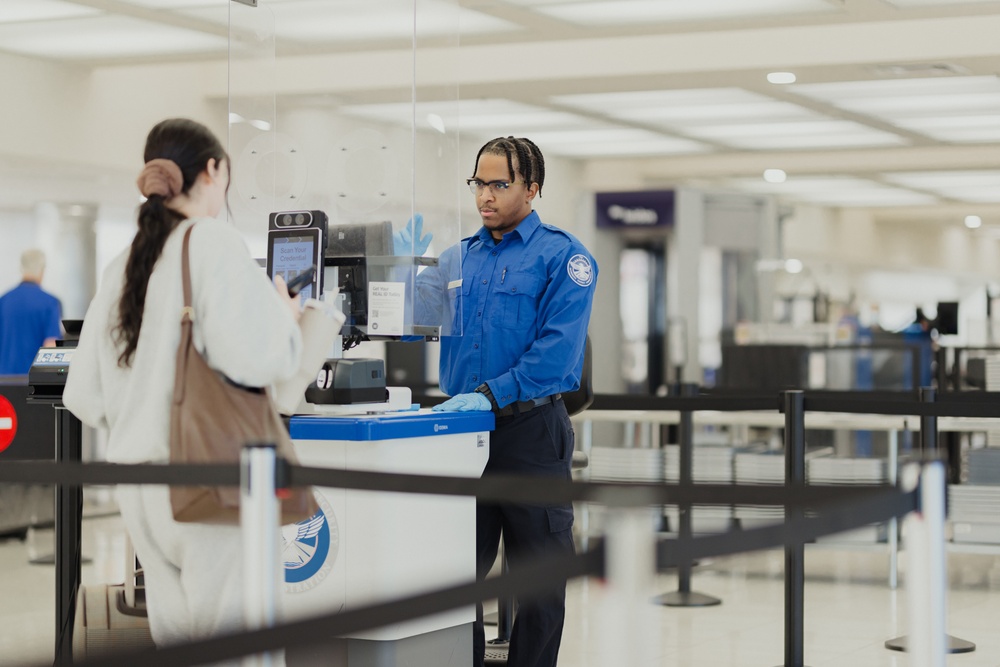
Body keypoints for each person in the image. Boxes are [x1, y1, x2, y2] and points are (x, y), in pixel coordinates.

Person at [63, 118, 303, 659]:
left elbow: (84, 395)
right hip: (208, 483)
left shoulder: (121, 264)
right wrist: (284, 319)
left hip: (142, 493)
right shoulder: (211, 242)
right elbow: (257, 360)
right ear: (213, 171)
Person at [415, 136, 598, 667]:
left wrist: (489, 394)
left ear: (532, 188)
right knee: (458, 574)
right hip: (462, 436)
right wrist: (394, 274)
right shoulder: (455, 259)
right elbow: (411, 321)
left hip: (530, 433)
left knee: (538, 577)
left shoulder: (566, 257)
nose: (485, 196)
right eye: (479, 183)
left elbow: (555, 356)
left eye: (500, 184)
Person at [0, 249, 62, 375]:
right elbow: (51, 346)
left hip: (4, 384)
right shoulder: (50, 303)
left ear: (21, 268)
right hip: (33, 384)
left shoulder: (4, 301)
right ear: (42, 270)